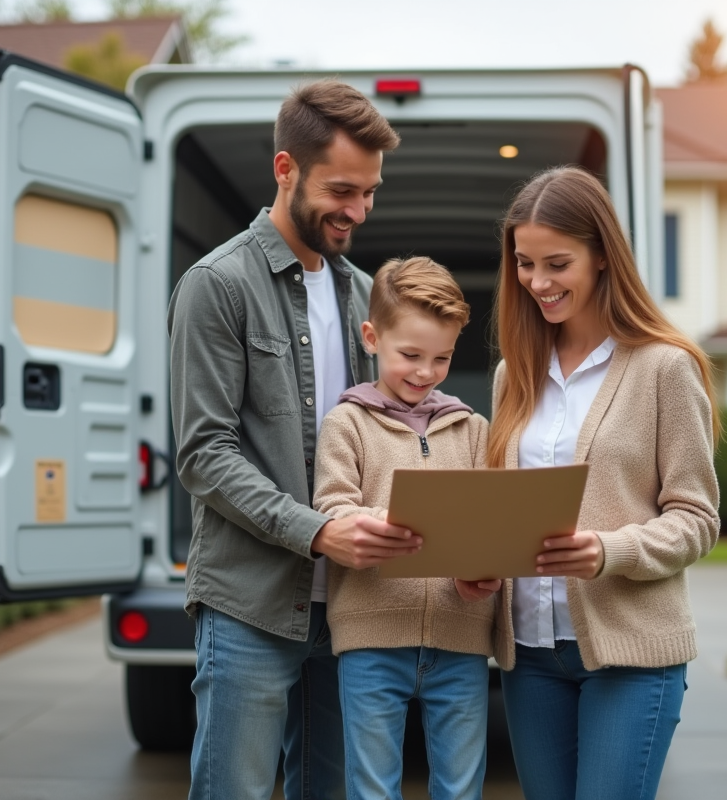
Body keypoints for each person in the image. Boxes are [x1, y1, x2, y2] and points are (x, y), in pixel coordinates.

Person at [168, 80, 419, 800]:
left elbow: (385, 438)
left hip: (350, 608)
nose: (358, 211)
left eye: (370, 192)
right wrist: (317, 533)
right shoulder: (217, 286)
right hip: (250, 603)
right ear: (286, 170)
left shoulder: (365, 295)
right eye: (342, 189)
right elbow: (204, 454)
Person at [487, 165, 721, 800]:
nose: (537, 282)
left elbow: (697, 518)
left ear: (601, 257)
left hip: (633, 656)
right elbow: (502, 508)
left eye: (557, 263)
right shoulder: (515, 376)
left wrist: (607, 550)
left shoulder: (664, 368)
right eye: (525, 264)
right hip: (529, 655)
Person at [312, 256, 501, 800]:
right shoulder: (346, 424)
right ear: (371, 337)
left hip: (461, 637)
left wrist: (485, 571)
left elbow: (490, 524)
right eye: (410, 355)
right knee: (373, 789)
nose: (425, 372)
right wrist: (392, 520)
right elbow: (331, 510)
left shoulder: (472, 429)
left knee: (461, 789)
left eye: (442, 358)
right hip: (370, 641)